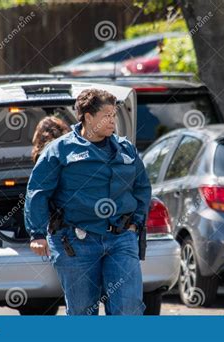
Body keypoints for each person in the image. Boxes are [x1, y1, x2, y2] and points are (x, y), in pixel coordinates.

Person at [24, 89, 152, 315]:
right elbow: (38, 191)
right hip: (75, 243)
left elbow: (142, 188)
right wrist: (37, 234)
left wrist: (135, 224)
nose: (113, 120)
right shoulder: (59, 151)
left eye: (114, 115)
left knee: (129, 309)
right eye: (107, 115)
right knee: (82, 312)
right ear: (88, 117)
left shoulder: (126, 149)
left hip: (121, 239)